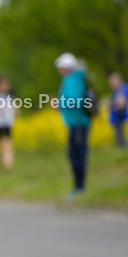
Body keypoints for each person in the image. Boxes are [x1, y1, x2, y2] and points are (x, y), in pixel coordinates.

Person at [55, 52, 90, 198]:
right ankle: (78, 186)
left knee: (77, 155)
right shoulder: (74, 79)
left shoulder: (72, 81)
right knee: (74, 154)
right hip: (75, 123)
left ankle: (79, 187)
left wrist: (59, 104)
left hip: (78, 123)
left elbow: (75, 101)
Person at [108, 72, 128, 148]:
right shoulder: (118, 89)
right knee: (119, 135)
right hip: (118, 115)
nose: (111, 84)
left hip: (120, 115)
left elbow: (121, 103)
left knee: (120, 136)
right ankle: (122, 151)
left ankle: (123, 151)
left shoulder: (122, 89)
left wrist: (111, 105)